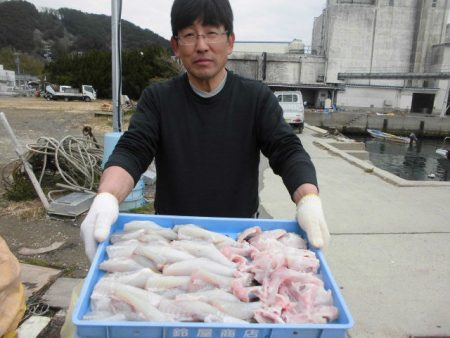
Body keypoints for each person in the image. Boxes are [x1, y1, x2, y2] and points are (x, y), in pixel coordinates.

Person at [81, 0, 330, 261]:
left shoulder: (256, 98)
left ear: (230, 41)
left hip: (239, 241)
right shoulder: (158, 99)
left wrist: (308, 199)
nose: (201, 45)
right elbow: (132, 150)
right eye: (189, 35)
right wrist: (107, 197)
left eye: (212, 33)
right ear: (176, 45)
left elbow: (287, 150)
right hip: (173, 240)